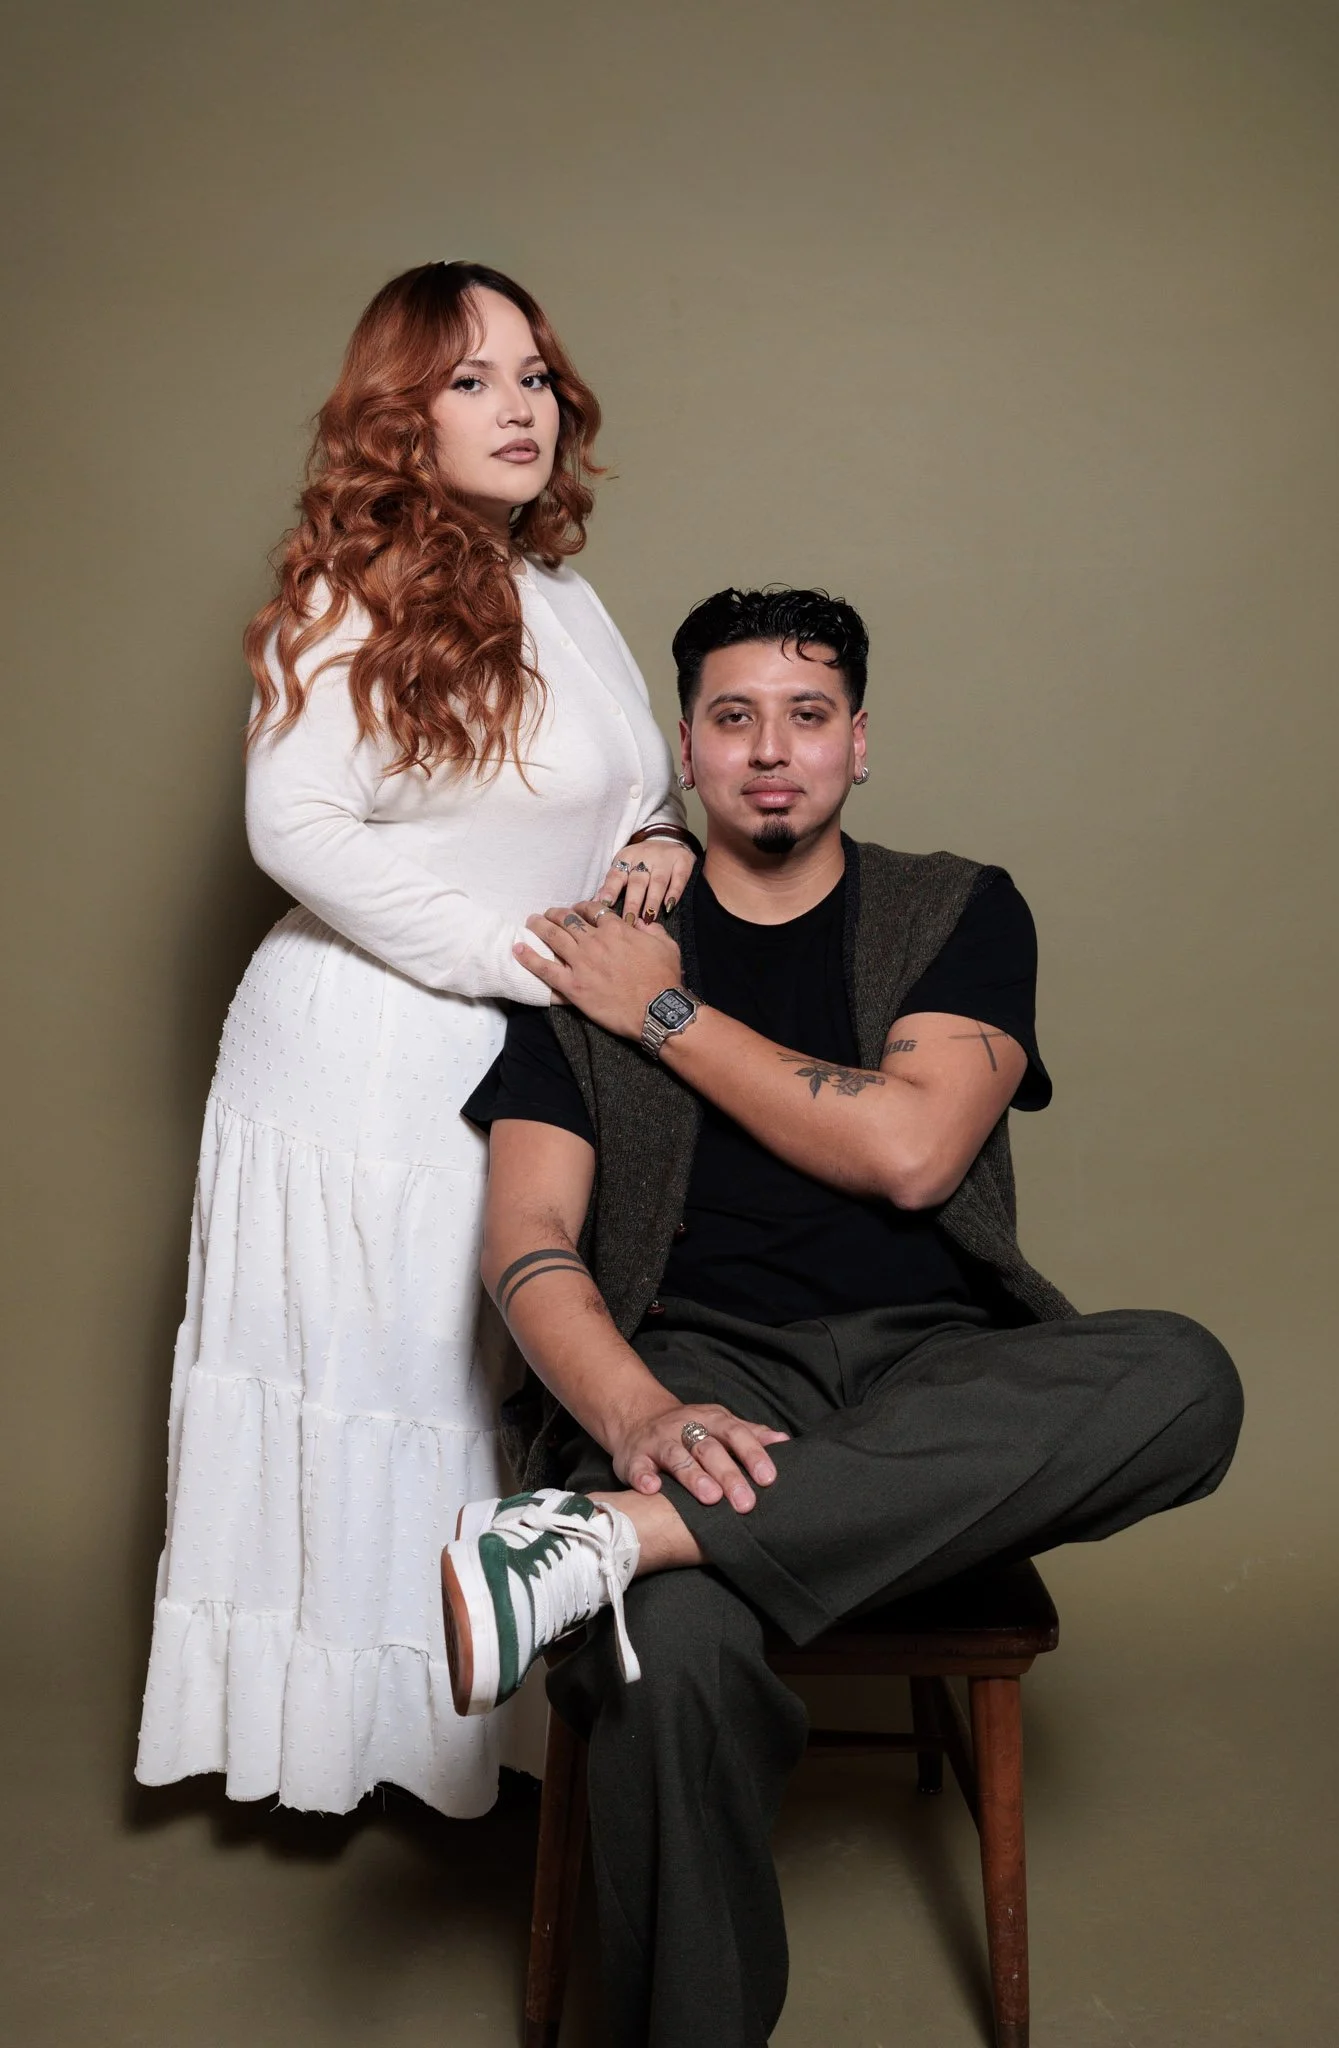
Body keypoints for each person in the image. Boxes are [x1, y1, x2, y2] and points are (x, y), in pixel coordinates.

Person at [445, 586, 1244, 2047]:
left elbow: (912, 1152)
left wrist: (668, 1015)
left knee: (1186, 1380)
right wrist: (637, 1413)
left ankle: (616, 1538)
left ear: (859, 742)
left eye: (808, 717)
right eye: (735, 718)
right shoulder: (588, 953)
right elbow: (527, 1238)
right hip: (696, 1365)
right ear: (687, 746)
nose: (772, 752)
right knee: (668, 1658)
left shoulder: (957, 908)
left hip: (934, 1377)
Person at [135, 262, 697, 1818]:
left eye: (533, 376)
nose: (519, 408)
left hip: (521, 1040)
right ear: (402, 414)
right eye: (470, 380)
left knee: (480, 1377)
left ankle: (483, 1734)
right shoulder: (350, 593)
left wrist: (660, 842)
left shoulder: (562, 593)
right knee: (383, 1381)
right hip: (369, 1050)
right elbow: (294, 825)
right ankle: (357, 1746)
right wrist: (520, 957)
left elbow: (616, 791)